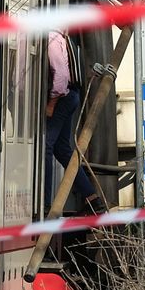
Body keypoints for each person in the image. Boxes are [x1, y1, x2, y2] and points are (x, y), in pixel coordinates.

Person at [45, 30, 101, 213]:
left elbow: (60, 77)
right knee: (62, 148)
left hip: (62, 97)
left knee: (46, 146)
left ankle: (44, 200)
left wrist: (51, 102)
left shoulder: (51, 39)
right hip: (72, 96)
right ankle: (91, 196)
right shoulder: (62, 37)